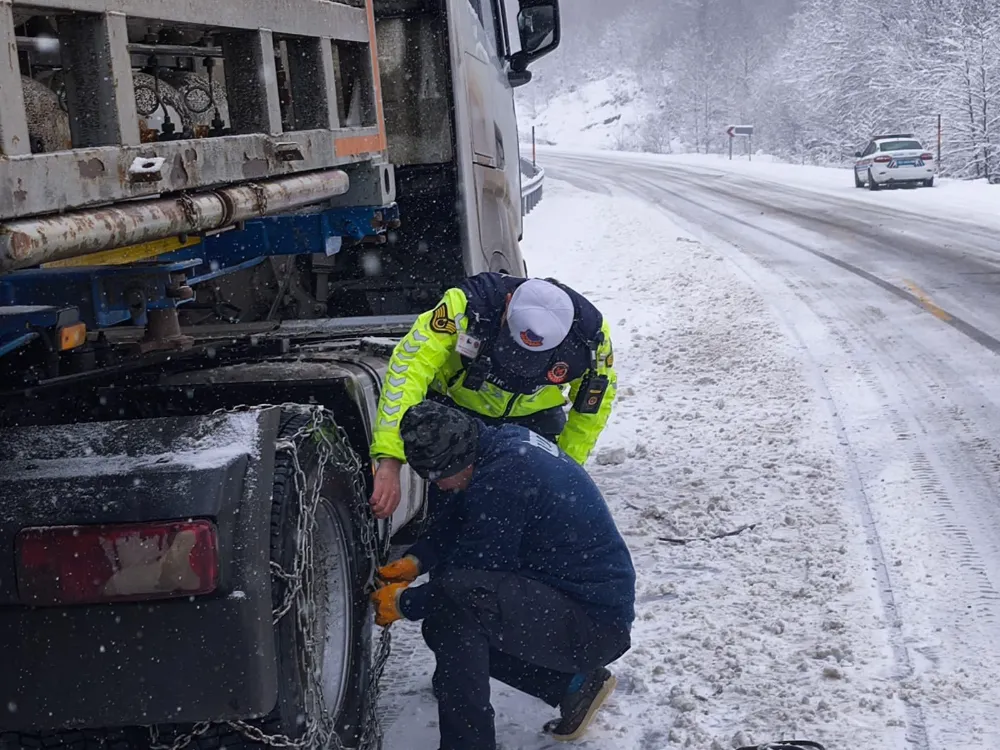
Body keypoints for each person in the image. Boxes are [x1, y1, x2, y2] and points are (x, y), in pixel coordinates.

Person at [370, 400, 635, 750]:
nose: (440, 487)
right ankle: (572, 686)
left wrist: (404, 602)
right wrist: (417, 560)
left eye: (437, 478)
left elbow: (472, 583)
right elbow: (462, 516)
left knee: (454, 617)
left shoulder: (506, 479)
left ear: (458, 462)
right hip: (581, 605)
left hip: (593, 624)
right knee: (443, 619)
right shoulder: (494, 446)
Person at [369, 272, 617, 519]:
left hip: (533, 421)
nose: (516, 368)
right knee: (448, 511)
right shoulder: (465, 305)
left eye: (531, 360)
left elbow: (591, 410)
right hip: (457, 413)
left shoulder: (590, 340)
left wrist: (565, 470)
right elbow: (410, 368)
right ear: (507, 303)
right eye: (513, 348)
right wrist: (390, 459)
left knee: (530, 507)